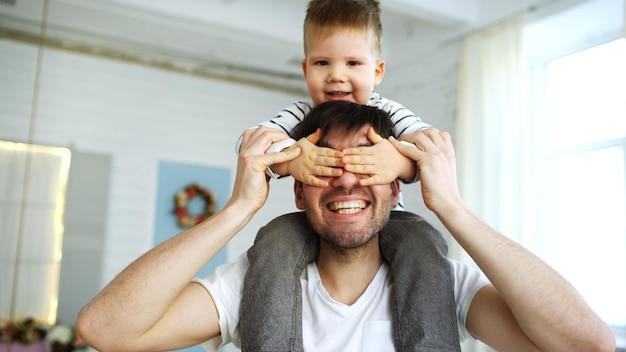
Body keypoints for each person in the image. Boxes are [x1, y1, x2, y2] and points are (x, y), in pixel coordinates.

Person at [76, 101, 615, 352]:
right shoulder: (252, 284)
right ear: (298, 188)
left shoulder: (445, 284)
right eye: (325, 166)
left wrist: (451, 206)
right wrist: (239, 207)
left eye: (365, 164)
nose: (345, 181)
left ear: (397, 184)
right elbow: (105, 330)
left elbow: (587, 345)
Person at [238, 1, 437, 349]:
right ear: (305, 69)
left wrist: (398, 163)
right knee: (272, 239)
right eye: (322, 62)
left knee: (425, 243)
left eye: (353, 63)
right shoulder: (301, 114)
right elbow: (249, 143)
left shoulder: (387, 111)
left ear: (377, 72)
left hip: (392, 220)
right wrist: (291, 161)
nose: (336, 75)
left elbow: (430, 151)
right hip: (317, 221)